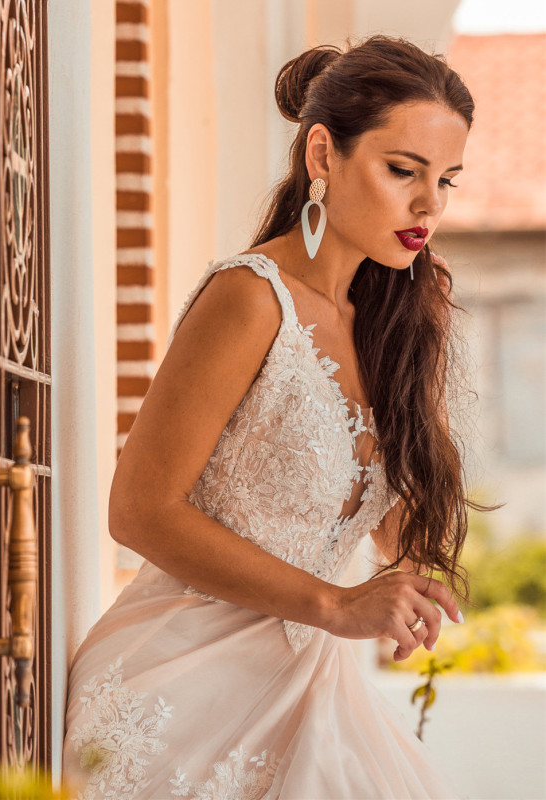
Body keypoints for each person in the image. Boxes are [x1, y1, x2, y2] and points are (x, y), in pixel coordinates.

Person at [62, 34, 485, 799]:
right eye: (403, 171)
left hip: (316, 694)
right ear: (323, 156)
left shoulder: (394, 325)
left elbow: (383, 523)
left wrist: (409, 574)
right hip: (180, 693)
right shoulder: (252, 297)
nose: (429, 205)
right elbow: (138, 510)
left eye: (447, 181)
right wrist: (337, 602)